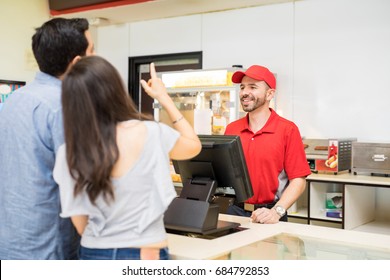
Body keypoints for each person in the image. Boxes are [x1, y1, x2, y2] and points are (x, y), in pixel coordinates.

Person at [53, 56, 201, 260]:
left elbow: (80, 222)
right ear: (115, 90)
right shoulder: (152, 133)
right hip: (144, 252)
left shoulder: (69, 150)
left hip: (93, 252)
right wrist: (163, 97)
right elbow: (193, 146)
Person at [0, 18, 95, 259]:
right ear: (76, 63)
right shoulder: (64, 107)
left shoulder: (12, 101)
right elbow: (77, 183)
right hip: (49, 248)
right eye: (92, 52)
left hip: (11, 242)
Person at [225, 65, 311, 224]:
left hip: (270, 214)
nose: (244, 92)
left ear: (270, 93)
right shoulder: (232, 129)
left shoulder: (288, 130)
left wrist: (276, 212)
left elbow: (298, 180)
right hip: (234, 211)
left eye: (253, 87)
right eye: (242, 87)